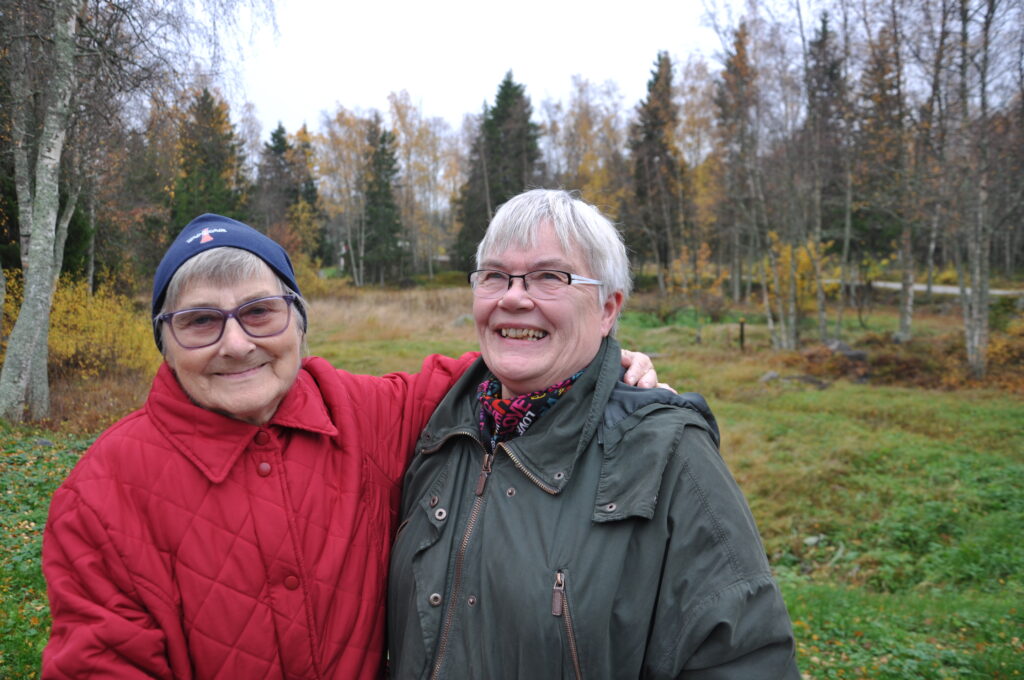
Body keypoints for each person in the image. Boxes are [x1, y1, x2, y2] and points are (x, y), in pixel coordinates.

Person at [40, 213, 658, 679]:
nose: (234, 345)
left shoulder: (360, 415)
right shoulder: (103, 493)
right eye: (199, 322)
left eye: (261, 313)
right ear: (164, 342)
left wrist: (597, 365)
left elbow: (491, 371)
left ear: (299, 324)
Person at [387, 189, 800, 679]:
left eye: (549, 277)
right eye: (495, 275)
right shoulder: (439, 426)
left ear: (607, 310)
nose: (513, 297)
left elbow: (742, 659)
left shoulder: (667, 453)